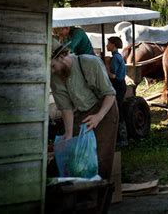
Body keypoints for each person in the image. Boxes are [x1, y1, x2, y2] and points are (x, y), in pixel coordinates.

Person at [50, 40, 118, 179]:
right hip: (82, 112)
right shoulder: (55, 77)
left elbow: (110, 94)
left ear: (61, 57)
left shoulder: (90, 63)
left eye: (52, 66)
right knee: (77, 153)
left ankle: (100, 194)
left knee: (100, 158)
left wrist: (98, 116)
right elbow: (66, 108)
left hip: (105, 109)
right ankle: (80, 191)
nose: (52, 70)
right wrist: (68, 134)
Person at [106, 36, 128, 146]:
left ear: (113, 45)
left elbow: (113, 76)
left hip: (117, 85)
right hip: (121, 84)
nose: (106, 45)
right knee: (119, 108)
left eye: (108, 43)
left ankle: (122, 138)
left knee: (118, 109)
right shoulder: (119, 56)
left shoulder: (115, 58)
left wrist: (105, 71)